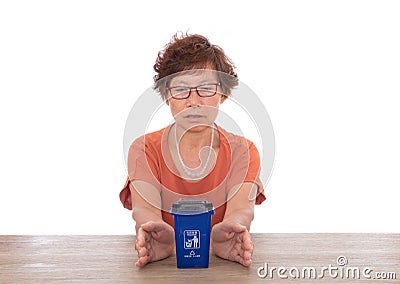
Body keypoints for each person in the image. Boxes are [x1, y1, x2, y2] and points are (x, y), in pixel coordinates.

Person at [119, 33, 266, 268]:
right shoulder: (144, 149)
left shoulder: (244, 152)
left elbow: (241, 210)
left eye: (206, 88)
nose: (193, 101)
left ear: (223, 93)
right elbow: (144, 211)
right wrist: (155, 234)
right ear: (167, 95)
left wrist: (229, 233)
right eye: (181, 89)